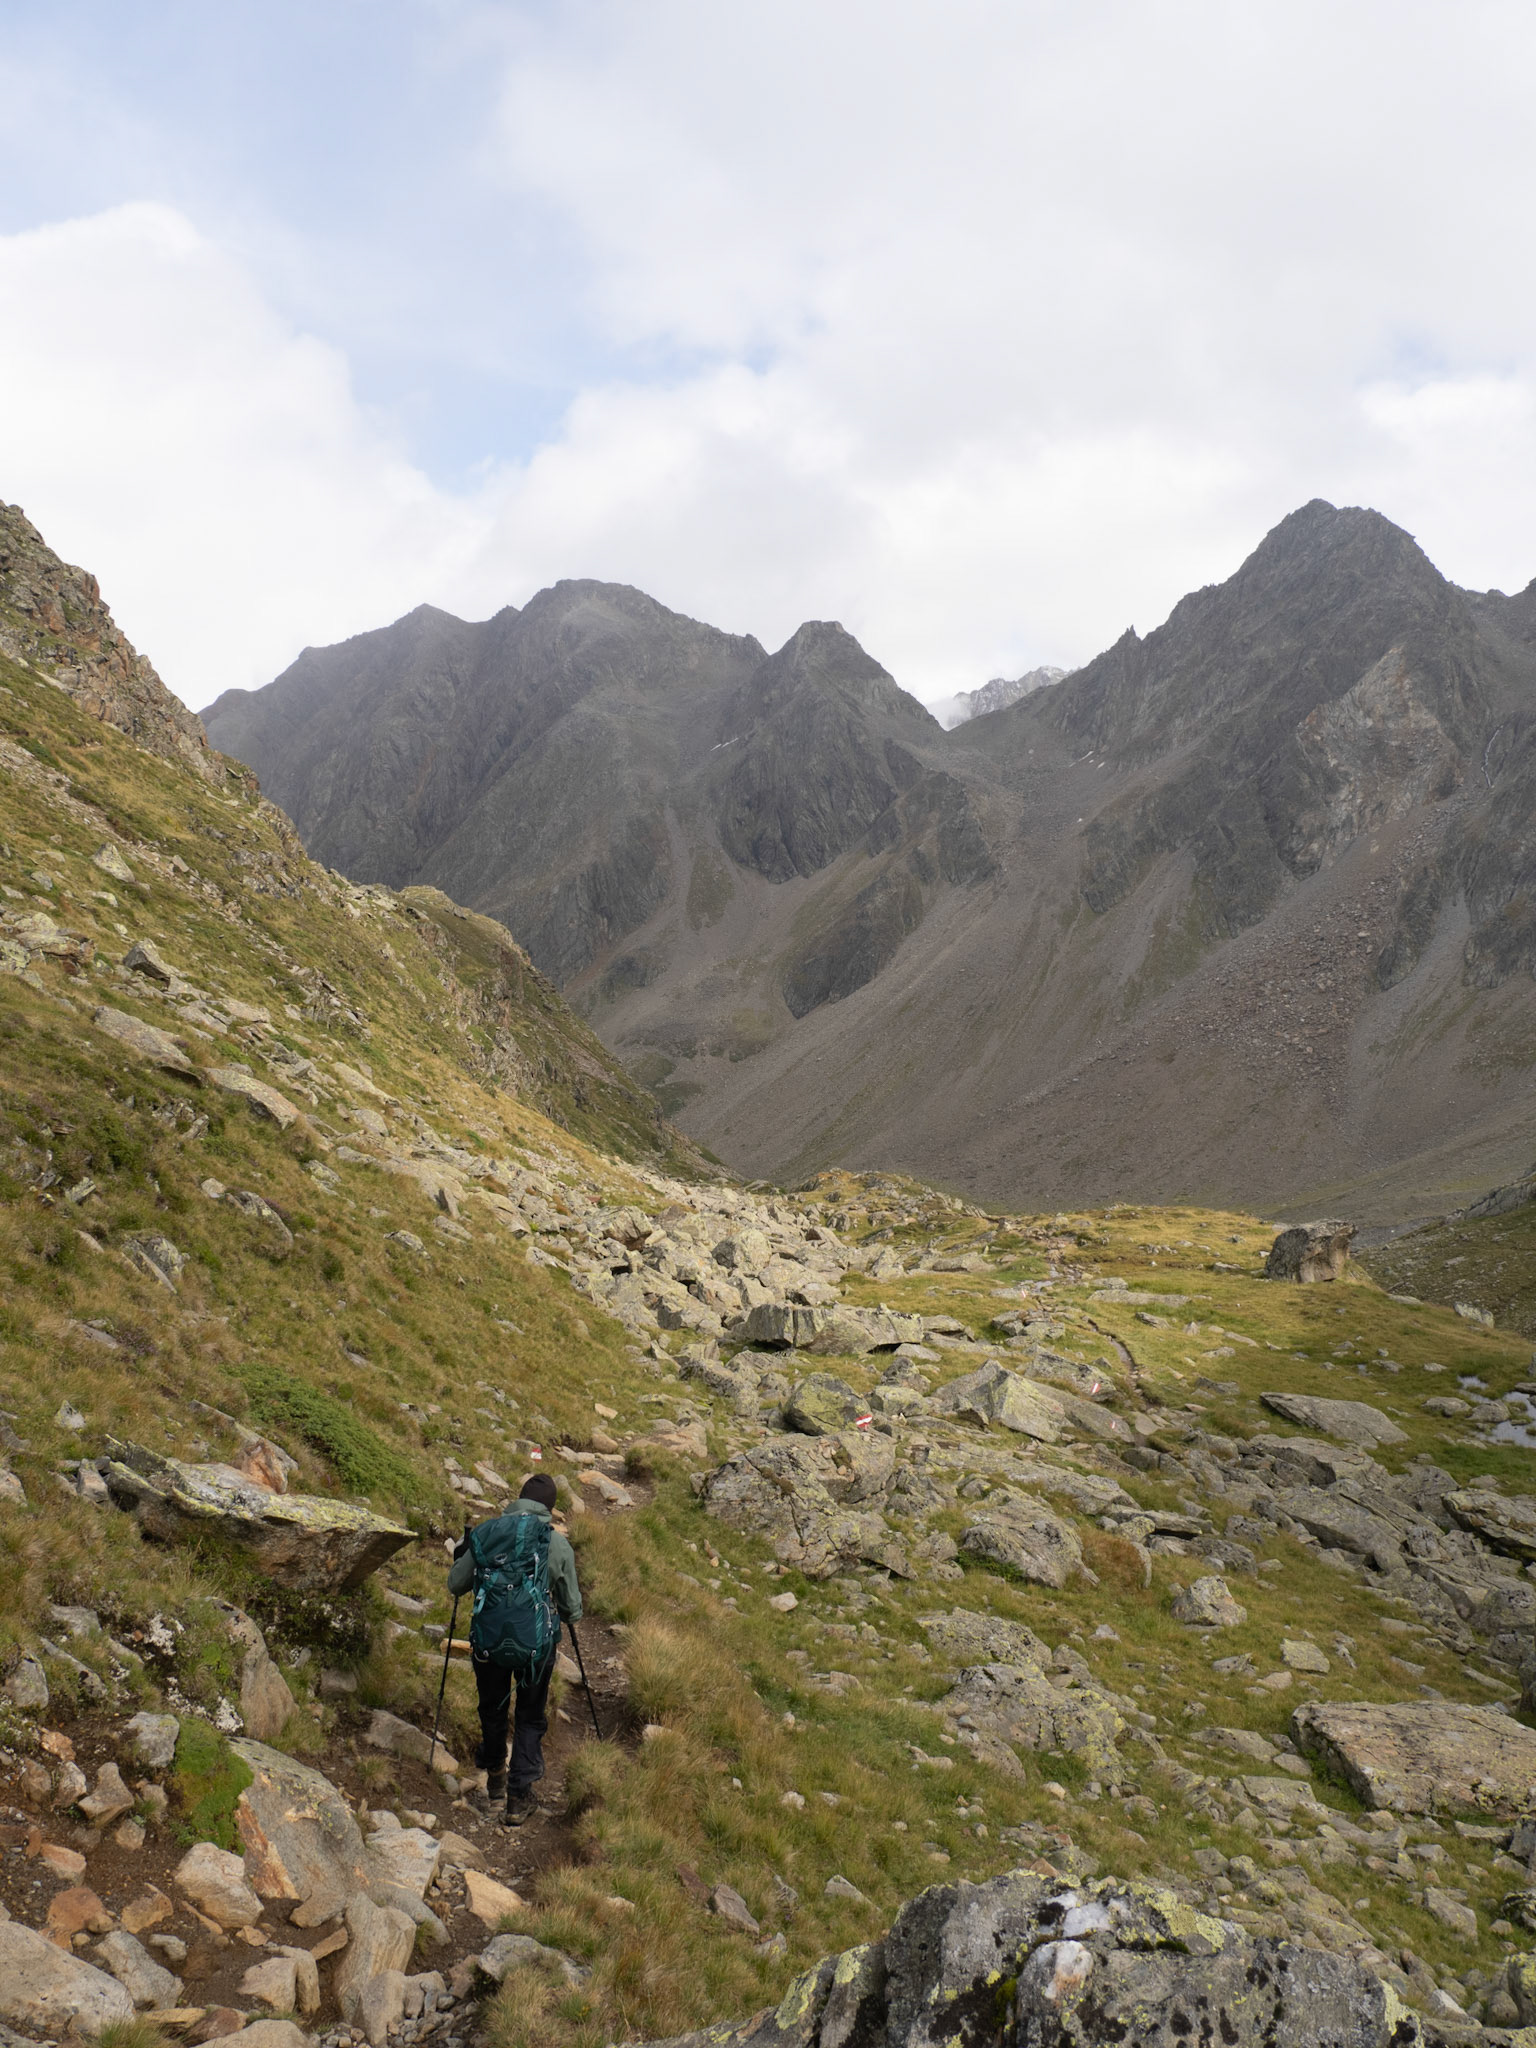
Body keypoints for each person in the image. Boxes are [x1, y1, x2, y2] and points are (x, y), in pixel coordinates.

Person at [448, 1472, 583, 1826]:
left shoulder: (486, 1533)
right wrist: (565, 1614)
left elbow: (455, 1584)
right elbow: (572, 1607)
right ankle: (519, 1799)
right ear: (550, 1509)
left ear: (518, 1499)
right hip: (536, 1647)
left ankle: (495, 1781)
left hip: (489, 1642)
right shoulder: (555, 1544)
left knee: (492, 1709)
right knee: (530, 1716)